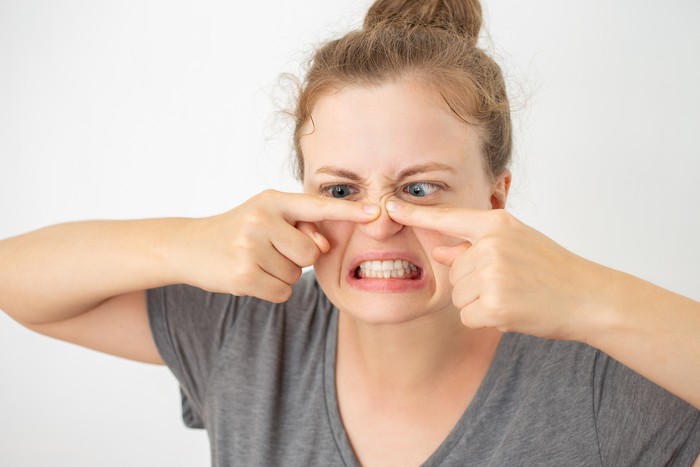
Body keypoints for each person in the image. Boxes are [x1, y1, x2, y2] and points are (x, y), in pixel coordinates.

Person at [1, 0, 699, 465]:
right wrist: (190, 242)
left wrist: (592, 297)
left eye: (419, 188)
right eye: (340, 190)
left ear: (495, 201)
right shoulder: (246, 333)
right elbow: (18, 280)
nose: (382, 221)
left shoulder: (600, 388)